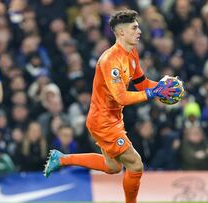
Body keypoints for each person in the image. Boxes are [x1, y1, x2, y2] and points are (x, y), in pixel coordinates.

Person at [43, 9, 182, 203]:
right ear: (121, 32)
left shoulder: (131, 53)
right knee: (135, 165)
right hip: (103, 120)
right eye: (135, 27)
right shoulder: (110, 60)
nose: (140, 31)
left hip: (112, 118)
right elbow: (122, 97)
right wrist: (154, 93)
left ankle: (62, 159)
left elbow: (142, 83)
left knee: (113, 167)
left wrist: (161, 87)